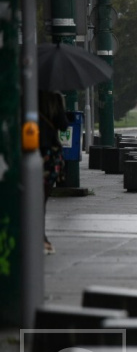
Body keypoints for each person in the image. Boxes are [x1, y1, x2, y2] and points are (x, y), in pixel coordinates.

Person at [38, 90, 68, 255]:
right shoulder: (53, 98)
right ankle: (41, 237)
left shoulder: (23, 96)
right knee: (42, 199)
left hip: (28, 151)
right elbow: (63, 125)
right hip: (49, 156)